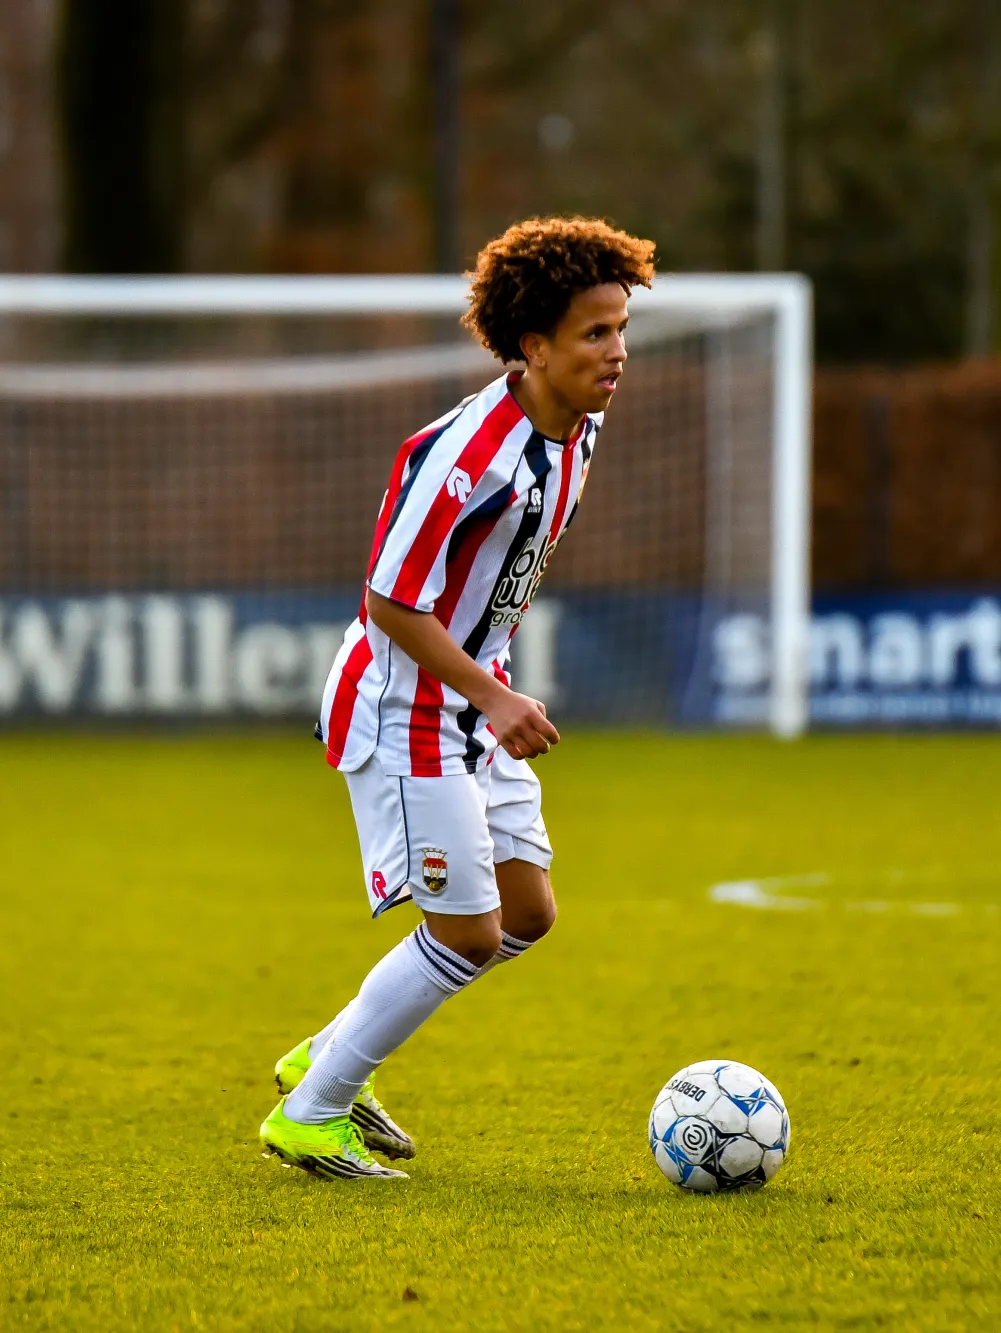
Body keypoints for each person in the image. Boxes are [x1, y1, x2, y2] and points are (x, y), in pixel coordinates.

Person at [259, 217, 656, 1179]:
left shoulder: (580, 425)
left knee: (527, 912)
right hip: (404, 709)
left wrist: (490, 691)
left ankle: (327, 1054)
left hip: (473, 703)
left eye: (620, 328)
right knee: (467, 932)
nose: (617, 352)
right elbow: (388, 600)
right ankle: (311, 1113)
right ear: (534, 347)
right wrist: (494, 693)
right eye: (594, 333)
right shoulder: (469, 455)